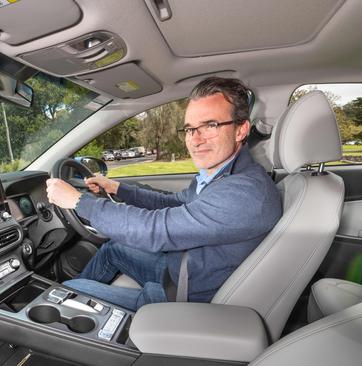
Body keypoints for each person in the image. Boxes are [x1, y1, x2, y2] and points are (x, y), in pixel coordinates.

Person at [46, 77, 282, 311]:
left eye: (210, 125)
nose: (195, 140)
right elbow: (173, 203)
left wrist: (78, 201)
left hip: (186, 298)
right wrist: (117, 188)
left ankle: (84, 317)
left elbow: (155, 230)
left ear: (241, 130)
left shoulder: (243, 192)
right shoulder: (223, 176)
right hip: (183, 270)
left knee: (66, 291)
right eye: (190, 129)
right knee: (112, 248)